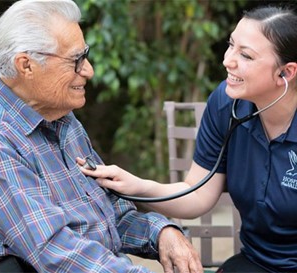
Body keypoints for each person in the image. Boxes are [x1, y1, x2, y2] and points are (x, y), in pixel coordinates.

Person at [0, 0, 203, 272]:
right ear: (26, 66)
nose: (89, 70)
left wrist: (162, 232)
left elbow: (111, 215)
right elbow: (55, 251)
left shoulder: (61, 119)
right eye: (76, 60)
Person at [81, 5, 297, 273]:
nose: (227, 60)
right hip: (256, 261)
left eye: (245, 55)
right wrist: (136, 186)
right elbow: (197, 194)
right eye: (231, 45)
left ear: (285, 73)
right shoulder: (226, 103)